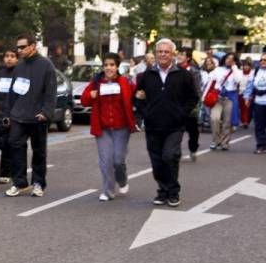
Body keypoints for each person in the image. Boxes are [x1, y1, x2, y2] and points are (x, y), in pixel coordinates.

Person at [134, 38, 198, 207]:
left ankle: (173, 191)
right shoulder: (147, 75)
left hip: (174, 126)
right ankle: (162, 192)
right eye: (160, 52)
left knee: (169, 156)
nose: (162, 54)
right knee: (157, 161)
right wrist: (144, 114)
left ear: (173, 55)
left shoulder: (184, 75)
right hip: (153, 126)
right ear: (156, 54)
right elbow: (138, 97)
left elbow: (193, 98)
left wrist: (181, 114)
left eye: (166, 52)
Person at [4, 33, 57, 198]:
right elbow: (13, 92)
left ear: (32, 46)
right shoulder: (19, 66)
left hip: (38, 117)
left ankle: (38, 183)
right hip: (18, 115)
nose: (19, 50)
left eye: (22, 47)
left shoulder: (46, 65)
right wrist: (9, 113)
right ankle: (19, 183)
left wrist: (46, 113)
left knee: (39, 151)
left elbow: (51, 92)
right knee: (15, 146)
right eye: (17, 47)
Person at [81, 53, 136, 201]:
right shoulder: (96, 82)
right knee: (106, 161)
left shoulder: (125, 82)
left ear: (117, 66)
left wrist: (141, 96)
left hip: (121, 128)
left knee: (118, 160)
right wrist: (90, 96)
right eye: (106, 65)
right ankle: (108, 191)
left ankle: (122, 180)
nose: (108, 68)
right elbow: (84, 100)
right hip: (103, 129)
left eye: (112, 65)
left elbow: (136, 95)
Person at [0, 46, 18, 184]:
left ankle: (9, 172)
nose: (9, 58)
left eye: (12, 56)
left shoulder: (19, 74)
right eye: (7, 55)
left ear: (17, 59)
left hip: (14, 115)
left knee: (11, 144)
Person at [203, 52, 242, 151]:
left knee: (227, 122)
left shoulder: (237, 71)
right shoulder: (218, 70)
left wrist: (234, 68)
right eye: (228, 58)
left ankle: (225, 142)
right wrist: (203, 97)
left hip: (230, 98)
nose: (229, 60)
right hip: (218, 97)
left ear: (235, 61)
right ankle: (215, 141)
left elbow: (238, 80)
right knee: (214, 118)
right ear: (224, 59)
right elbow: (210, 83)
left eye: (232, 59)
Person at [177, 47, 202, 161]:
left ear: (188, 57)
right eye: (178, 54)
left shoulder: (194, 71)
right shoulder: (173, 70)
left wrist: (195, 105)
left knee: (193, 131)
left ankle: (193, 148)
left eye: (182, 54)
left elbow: (197, 89)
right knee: (176, 130)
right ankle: (176, 151)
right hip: (176, 104)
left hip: (190, 105)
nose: (179, 56)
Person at [238, 58, 254, 128]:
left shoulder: (252, 73)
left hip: (248, 94)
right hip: (240, 93)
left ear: (250, 66)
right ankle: (243, 121)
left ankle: (246, 121)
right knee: (241, 108)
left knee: (247, 108)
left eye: (247, 66)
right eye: (244, 65)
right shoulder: (240, 73)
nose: (246, 67)